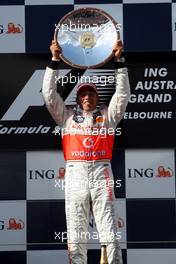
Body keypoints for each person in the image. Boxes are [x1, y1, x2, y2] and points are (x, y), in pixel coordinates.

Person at [42, 39, 130, 264]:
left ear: (97, 98)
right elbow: (49, 94)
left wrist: (119, 61)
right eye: (83, 94)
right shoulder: (67, 117)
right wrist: (53, 61)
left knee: (108, 226)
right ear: (78, 99)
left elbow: (122, 95)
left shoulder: (108, 116)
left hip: (102, 171)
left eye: (91, 94)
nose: (88, 97)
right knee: (75, 228)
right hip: (76, 172)